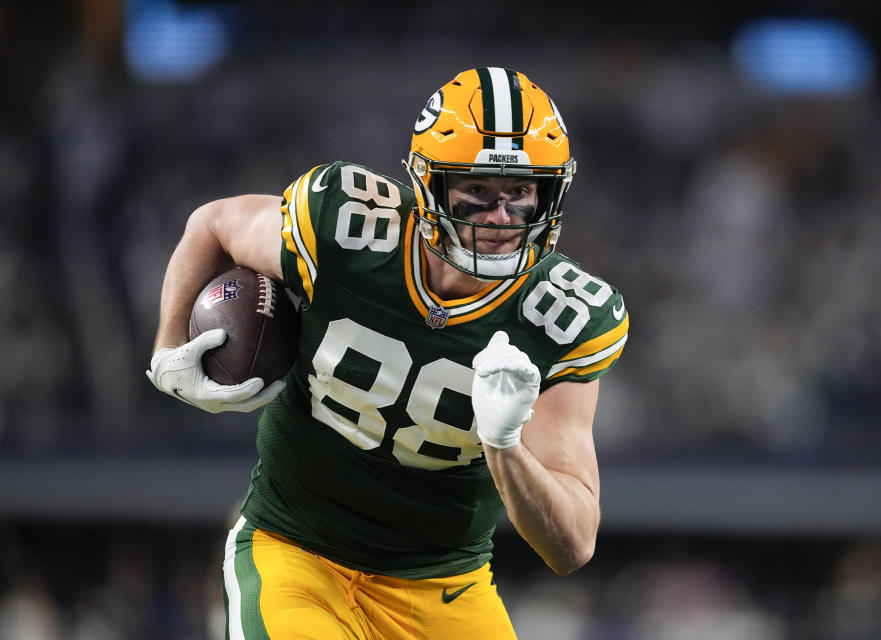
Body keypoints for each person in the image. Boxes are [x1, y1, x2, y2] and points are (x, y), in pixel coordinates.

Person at [146, 67, 628, 640]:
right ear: (430, 185)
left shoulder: (562, 318)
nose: (501, 219)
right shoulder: (348, 230)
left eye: (521, 193)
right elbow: (214, 223)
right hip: (297, 553)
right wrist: (169, 348)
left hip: (444, 584)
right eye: (477, 191)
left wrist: (506, 447)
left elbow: (572, 543)